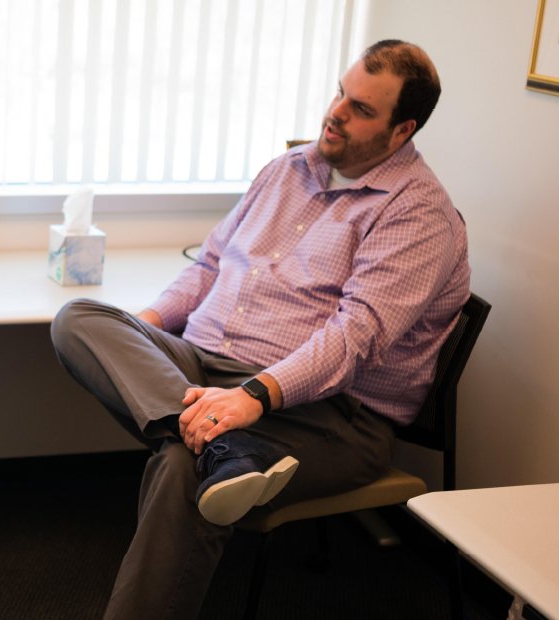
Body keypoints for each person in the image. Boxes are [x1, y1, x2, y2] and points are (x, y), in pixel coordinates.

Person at [51, 40, 469, 618]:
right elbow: (209, 267)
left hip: (328, 415)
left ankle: (214, 448)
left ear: (402, 131)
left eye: (362, 109)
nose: (336, 112)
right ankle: (226, 450)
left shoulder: (419, 215)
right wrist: (138, 333)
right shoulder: (287, 171)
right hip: (205, 367)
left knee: (181, 465)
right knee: (81, 318)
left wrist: (252, 396)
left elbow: (354, 338)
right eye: (340, 93)